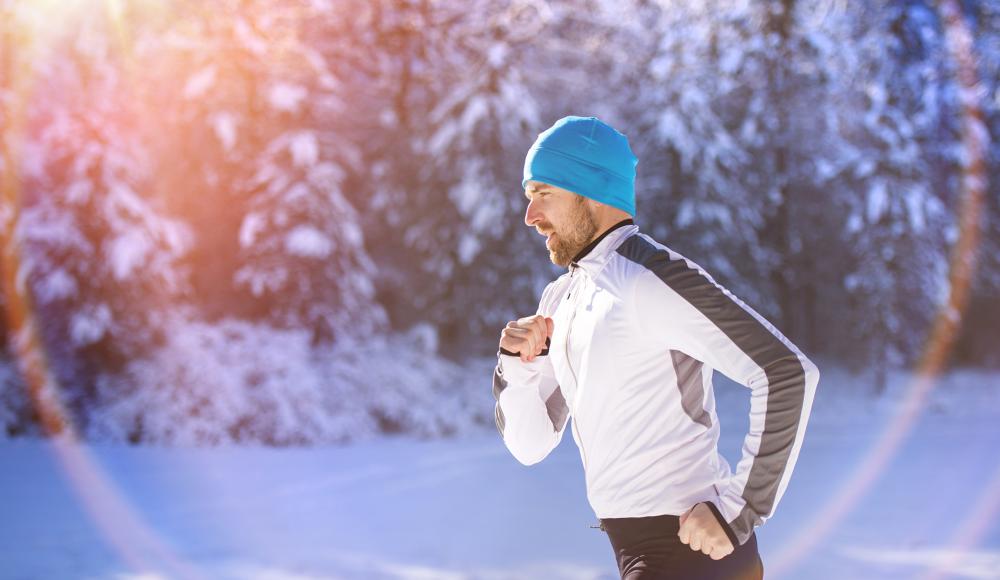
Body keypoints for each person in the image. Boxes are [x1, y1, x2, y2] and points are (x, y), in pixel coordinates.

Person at [491, 116, 820, 579]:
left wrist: (738, 511)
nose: (530, 216)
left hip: (692, 550)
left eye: (544, 193)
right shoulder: (561, 299)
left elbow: (786, 372)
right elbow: (530, 445)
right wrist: (516, 367)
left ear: (590, 187)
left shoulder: (650, 278)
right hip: (638, 551)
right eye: (529, 198)